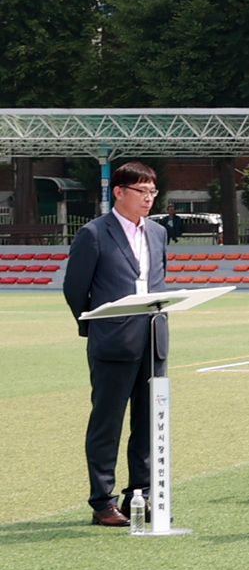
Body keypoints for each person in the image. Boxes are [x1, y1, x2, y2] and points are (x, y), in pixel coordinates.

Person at [61, 160, 172, 526]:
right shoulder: (94, 234)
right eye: (142, 191)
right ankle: (102, 502)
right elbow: (75, 289)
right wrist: (96, 328)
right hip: (112, 341)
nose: (149, 199)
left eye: (153, 192)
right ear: (119, 192)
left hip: (153, 340)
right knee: (107, 424)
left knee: (147, 422)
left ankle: (138, 496)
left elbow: (157, 280)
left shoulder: (157, 233)